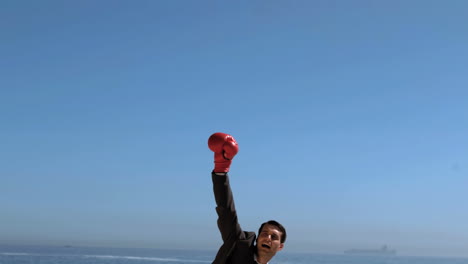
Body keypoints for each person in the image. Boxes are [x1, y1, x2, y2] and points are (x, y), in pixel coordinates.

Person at [208, 132, 287, 264]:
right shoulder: (240, 246)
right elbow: (226, 212)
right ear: (257, 239)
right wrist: (221, 168)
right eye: (264, 234)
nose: (267, 238)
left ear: (280, 247)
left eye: (273, 237)